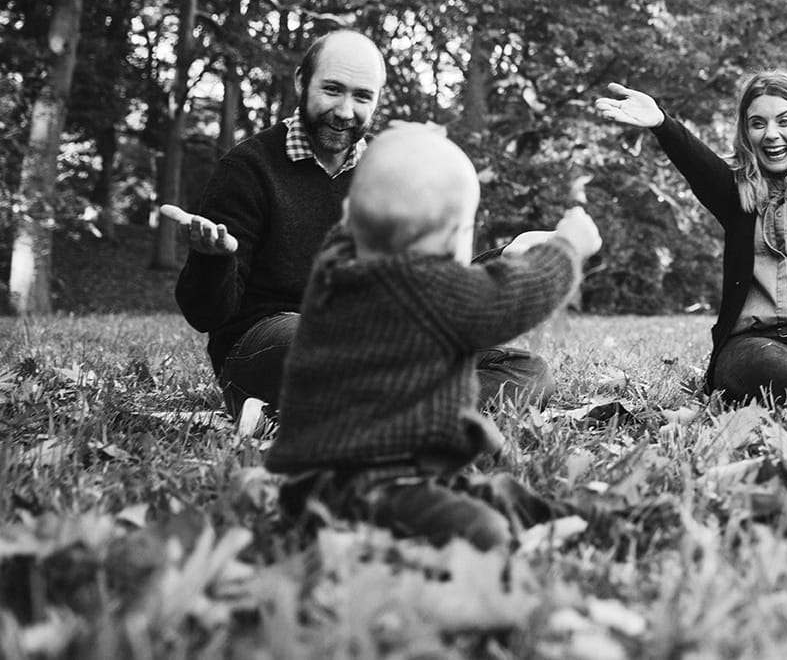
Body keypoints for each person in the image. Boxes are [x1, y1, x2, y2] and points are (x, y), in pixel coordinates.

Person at [167, 29, 554, 420]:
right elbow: (205, 316)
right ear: (302, 81)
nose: (345, 111)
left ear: (377, 99)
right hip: (275, 344)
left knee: (527, 372)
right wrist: (212, 259)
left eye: (362, 96)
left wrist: (505, 258)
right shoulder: (248, 169)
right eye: (332, 90)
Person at [265, 124, 601, 549]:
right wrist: (567, 248)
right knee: (483, 530)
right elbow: (512, 296)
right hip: (358, 495)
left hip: (330, 482)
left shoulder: (339, 266)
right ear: (449, 239)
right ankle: (530, 534)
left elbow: (418, 389)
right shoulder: (424, 287)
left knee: (496, 494)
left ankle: (567, 517)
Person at [594, 50, 787, 410]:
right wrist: (662, 124)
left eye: (784, 120)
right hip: (755, 342)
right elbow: (700, 165)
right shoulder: (737, 197)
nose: (771, 134)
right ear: (746, 132)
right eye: (758, 123)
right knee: (783, 383)